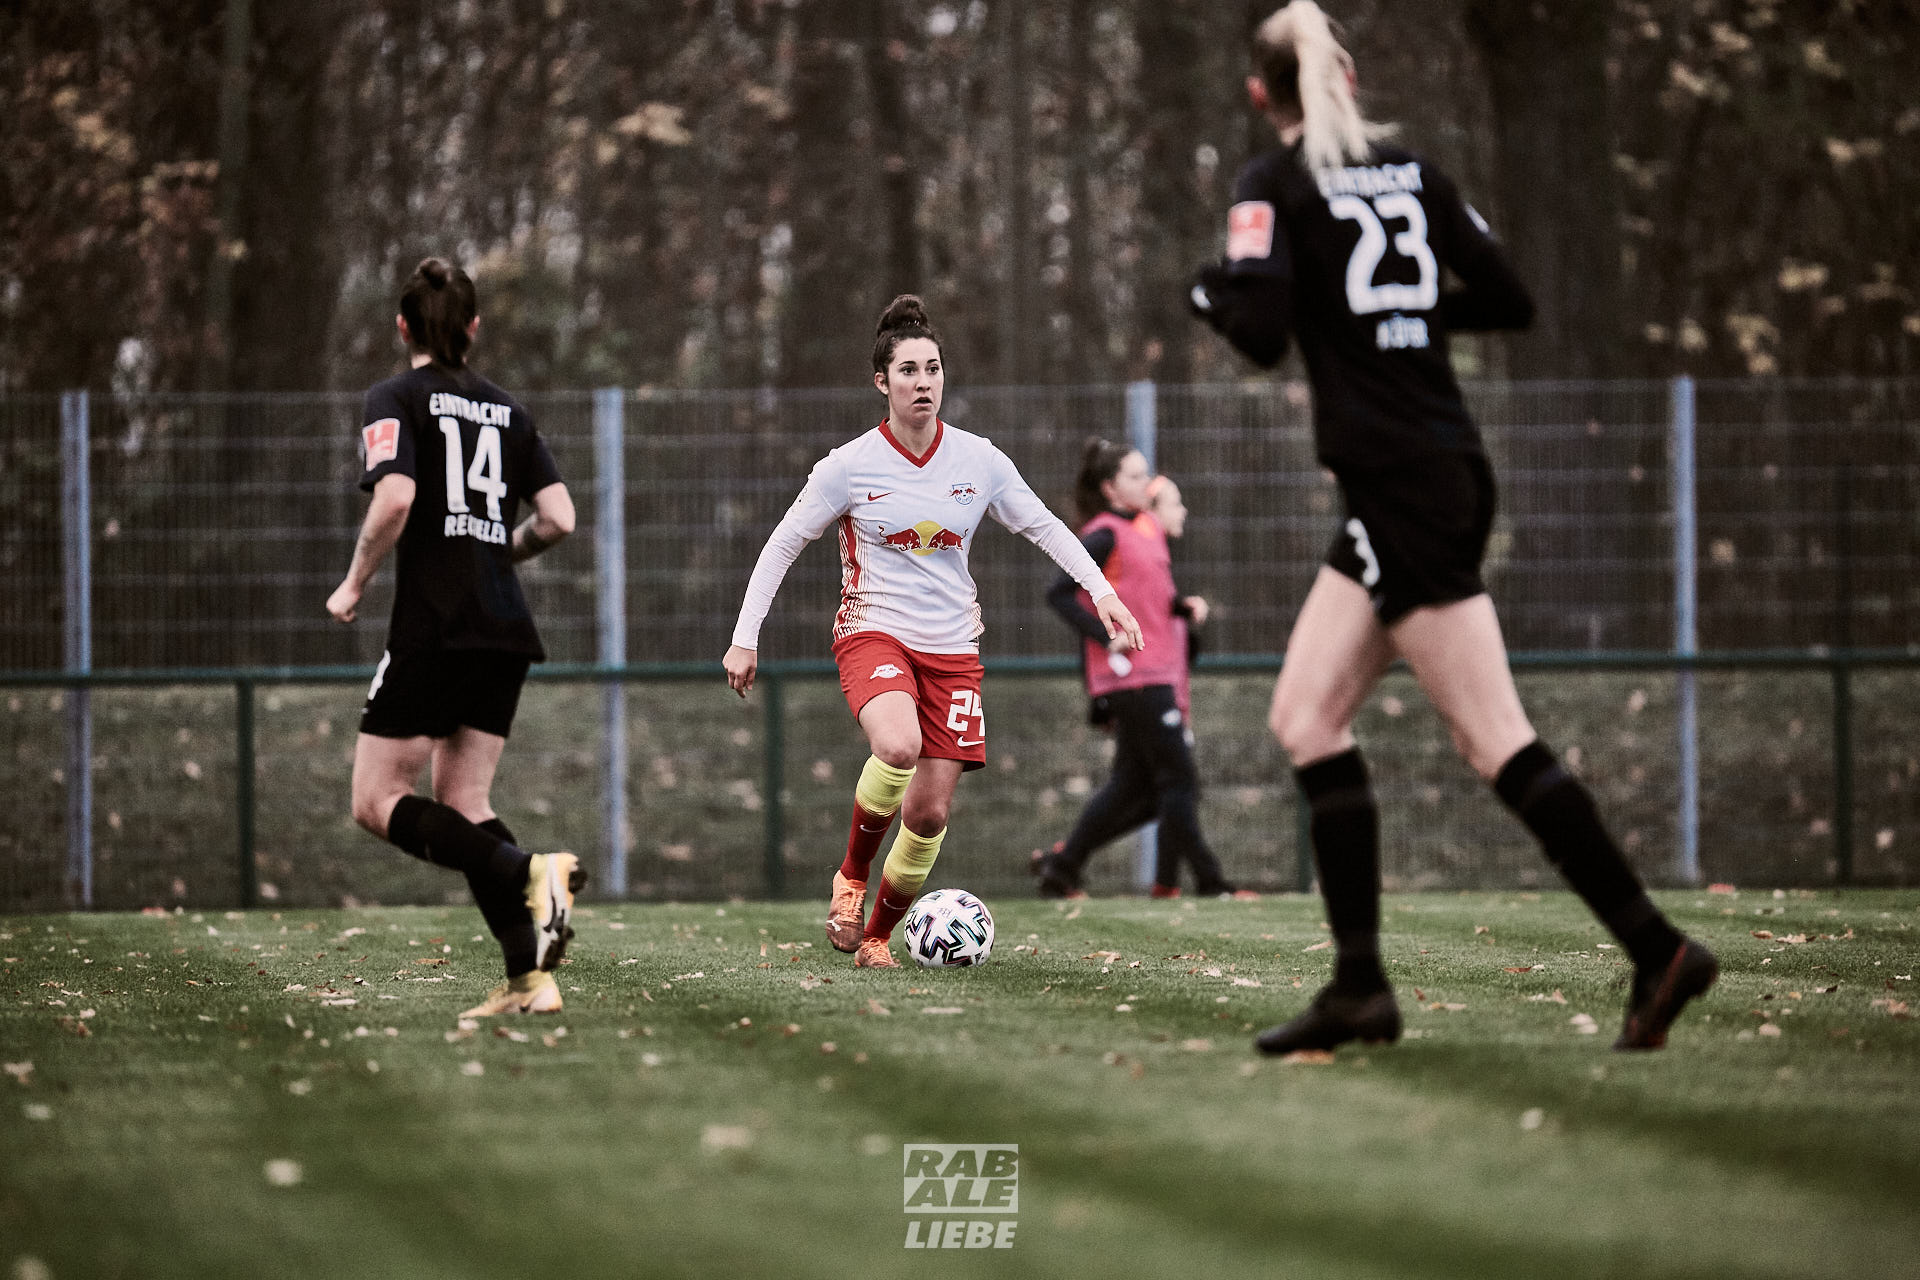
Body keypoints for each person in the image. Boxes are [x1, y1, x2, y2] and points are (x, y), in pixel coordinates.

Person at [1190, 2, 1716, 1054]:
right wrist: (1403, 315)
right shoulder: (1416, 173)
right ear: (1341, 75)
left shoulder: (1270, 186)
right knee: (1304, 716)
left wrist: (1208, 291)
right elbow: (1511, 298)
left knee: (1494, 736)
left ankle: (1656, 946)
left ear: (1261, 94)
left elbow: (1254, 332)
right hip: (1431, 474)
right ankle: (1359, 989)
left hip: (1401, 490)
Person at [723, 295, 1144, 968]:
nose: (923, 382)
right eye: (909, 370)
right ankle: (851, 879)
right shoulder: (849, 466)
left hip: (952, 650)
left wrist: (1103, 593)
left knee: (927, 817)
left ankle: (877, 940)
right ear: (881, 382)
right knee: (897, 745)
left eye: (933, 369)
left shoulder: (979, 461)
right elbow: (781, 544)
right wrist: (746, 636)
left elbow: (1043, 526)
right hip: (874, 632)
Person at [326, 257, 584, 1018]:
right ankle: (532, 980)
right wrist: (501, 551)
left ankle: (533, 870)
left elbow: (396, 497)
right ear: (473, 329)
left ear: (402, 327)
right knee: (465, 798)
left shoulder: (393, 397)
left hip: (435, 623)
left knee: (376, 800)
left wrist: (353, 582)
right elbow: (560, 517)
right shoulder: (510, 411)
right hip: (504, 622)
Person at [1030, 443, 1243, 900]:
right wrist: (1106, 636)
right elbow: (1059, 593)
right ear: (1109, 487)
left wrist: (1181, 608)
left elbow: (1147, 600)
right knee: (1179, 781)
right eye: (1133, 476)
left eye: (1145, 475)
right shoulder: (1103, 534)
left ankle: (1062, 867)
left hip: (1158, 673)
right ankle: (1211, 884)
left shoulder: (1147, 529)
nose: (1144, 484)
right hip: (1133, 677)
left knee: (1139, 790)